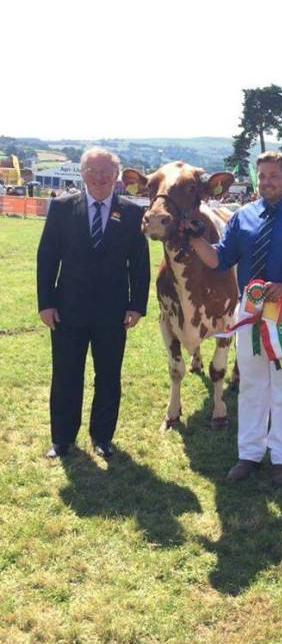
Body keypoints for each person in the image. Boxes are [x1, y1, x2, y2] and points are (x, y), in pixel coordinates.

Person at [187, 151, 282, 487]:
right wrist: (194, 238)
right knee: (251, 384)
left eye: (273, 176)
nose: (266, 182)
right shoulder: (244, 217)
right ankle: (249, 453)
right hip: (250, 315)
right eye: (262, 176)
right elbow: (219, 259)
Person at [37, 147, 150, 459]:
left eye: (106, 172)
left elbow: (140, 264)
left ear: (116, 177)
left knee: (108, 377)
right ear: (82, 174)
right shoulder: (61, 208)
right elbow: (47, 258)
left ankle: (102, 438)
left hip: (113, 313)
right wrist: (45, 303)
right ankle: (61, 439)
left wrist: (136, 305)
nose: (100, 178)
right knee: (66, 376)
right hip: (67, 310)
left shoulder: (131, 212)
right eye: (93, 171)